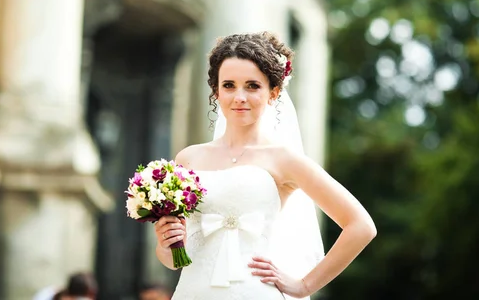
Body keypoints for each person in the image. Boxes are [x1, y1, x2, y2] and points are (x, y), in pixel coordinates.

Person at [154, 31, 376, 299]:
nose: (239, 97)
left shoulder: (285, 159)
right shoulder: (188, 159)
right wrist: (166, 246)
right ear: (215, 91)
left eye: (252, 86)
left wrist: (304, 285)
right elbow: (177, 260)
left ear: (273, 92)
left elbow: (361, 225)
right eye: (228, 85)